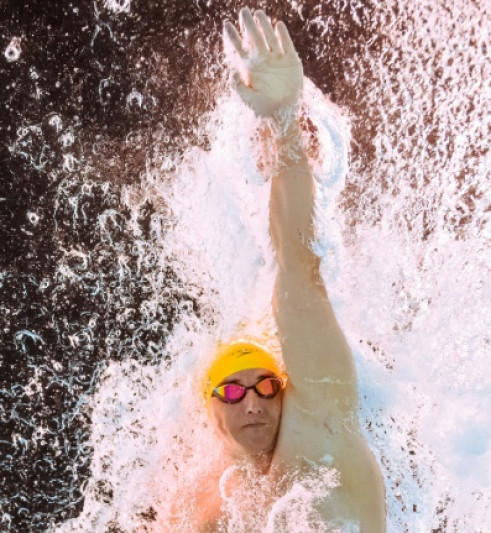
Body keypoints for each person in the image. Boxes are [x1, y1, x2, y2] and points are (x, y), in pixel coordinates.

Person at [160, 7, 386, 532]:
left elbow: (298, 267)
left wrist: (283, 123)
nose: (254, 401)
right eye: (233, 391)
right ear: (210, 411)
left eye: (265, 385)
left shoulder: (323, 426)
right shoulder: (199, 508)